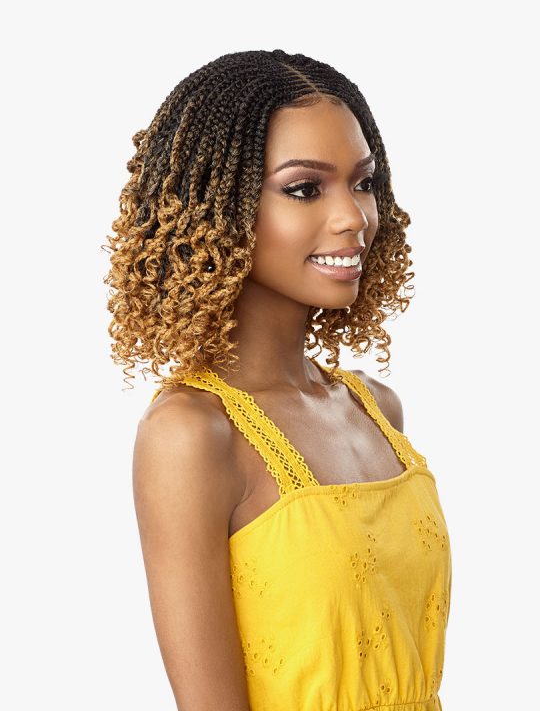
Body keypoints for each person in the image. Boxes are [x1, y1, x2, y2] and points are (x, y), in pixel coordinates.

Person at [103, 49, 452, 711]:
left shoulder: (377, 410)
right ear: (213, 211)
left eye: (364, 182)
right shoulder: (192, 435)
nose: (354, 217)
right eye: (304, 189)